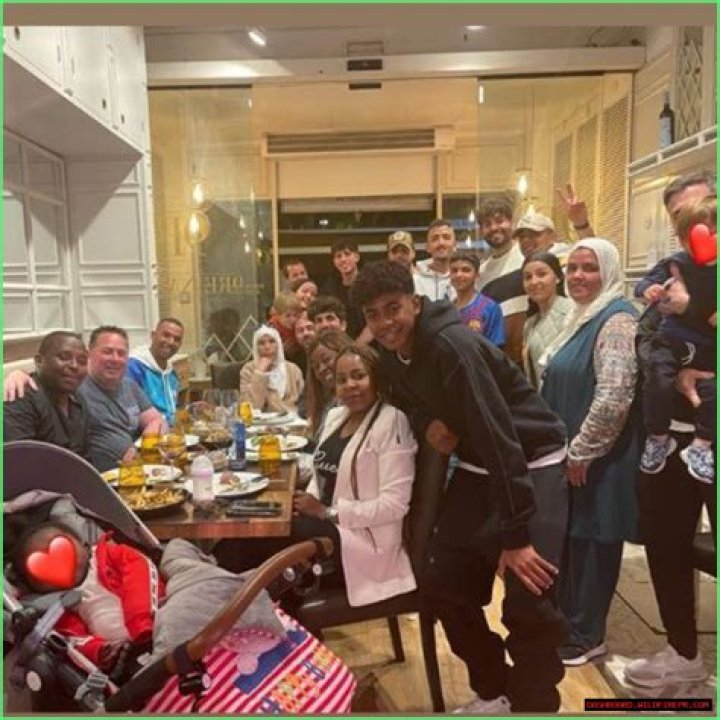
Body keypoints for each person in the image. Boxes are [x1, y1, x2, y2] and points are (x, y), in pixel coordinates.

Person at [352, 260, 569, 713]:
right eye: (373, 314)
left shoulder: (452, 345)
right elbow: (400, 396)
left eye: (393, 308)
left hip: (531, 459)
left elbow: (498, 435)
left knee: (529, 598)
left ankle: (535, 705)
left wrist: (515, 535)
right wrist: (425, 419)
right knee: (442, 584)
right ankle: (495, 689)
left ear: (415, 303)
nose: (385, 322)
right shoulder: (392, 353)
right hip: (478, 463)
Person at [216, 343, 418, 609]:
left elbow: (394, 505)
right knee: (246, 526)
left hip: (361, 545)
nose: (350, 385)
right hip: (327, 528)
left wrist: (327, 512)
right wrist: (306, 502)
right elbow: (319, 475)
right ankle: (232, 610)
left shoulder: (392, 422)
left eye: (359, 376)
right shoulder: (336, 416)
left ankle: (220, 611)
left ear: (375, 378)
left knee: (258, 541)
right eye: (341, 379)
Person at [625, 172, 716, 689]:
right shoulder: (674, 271)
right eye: (680, 217)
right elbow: (645, 336)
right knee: (663, 540)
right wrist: (675, 365)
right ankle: (683, 651)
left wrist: (693, 307)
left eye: (702, 210)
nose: (695, 226)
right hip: (671, 437)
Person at [539, 238, 642, 666]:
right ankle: (571, 625)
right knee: (576, 541)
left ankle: (588, 636)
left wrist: (582, 452)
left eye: (590, 268)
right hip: (575, 455)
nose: (578, 276)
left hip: (600, 459)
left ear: (610, 272)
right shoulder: (583, 317)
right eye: (573, 268)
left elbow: (615, 395)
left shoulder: (616, 321)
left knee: (596, 542)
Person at [4, 326, 166, 472]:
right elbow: (16, 467)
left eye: (121, 353)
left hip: (101, 479)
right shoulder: (25, 397)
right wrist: (19, 374)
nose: (74, 365)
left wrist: (142, 448)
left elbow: (81, 457)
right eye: (107, 351)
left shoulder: (77, 400)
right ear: (91, 355)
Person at [635, 195, 716, 481]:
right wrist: (650, 290)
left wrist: (688, 306)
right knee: (657, 379)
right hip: (671, 342)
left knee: (712, 393)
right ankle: (658, 437)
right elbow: (644, 287)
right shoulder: (676, 264)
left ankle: (702, 446)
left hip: (708, 351)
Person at [11, 521, 163, 672]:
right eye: (43, 568)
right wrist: (99, 650)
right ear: (37, 588)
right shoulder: (61, 606)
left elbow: (140, 570)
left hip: (158, 614)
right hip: (124, 650)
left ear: (83, 543)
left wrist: (140, 621)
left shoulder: (109, 554)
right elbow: (73, 638)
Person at [4, 331, 90, 457]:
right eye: (64, 357)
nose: (74, 366)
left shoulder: (78, 400)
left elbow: (85, 457)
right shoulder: (21, 398)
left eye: (82, 361)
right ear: (39, 361)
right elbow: (19, 460)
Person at [475, 197, 527, 365]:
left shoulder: (527, 258)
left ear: (512, 222)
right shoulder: (481, 273)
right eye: (487, 224)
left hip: (529, 355)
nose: (494, 228)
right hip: (499, 360)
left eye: (499, 221)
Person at [521, 252, 573, 388]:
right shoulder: (530, 323)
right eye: (528, 277)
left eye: (541, 274)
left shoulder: (572, 313)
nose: (534, 282)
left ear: (558, 277)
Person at [126, 318, 184, 426]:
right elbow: (130, 414)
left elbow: (173, 412)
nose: (171, 342)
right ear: (153, 336)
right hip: (146, 433)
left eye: (177, 339)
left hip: (170, 432)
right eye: (166, 335)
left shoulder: (172, 374)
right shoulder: (133, 368)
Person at [239, 325, 304, 414]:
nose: (267, 347)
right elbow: (252, 407)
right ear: (256, 347)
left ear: (278, 345)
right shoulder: (248, 370)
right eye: (261, 343)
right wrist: (260, 372)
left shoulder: (293, 369)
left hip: (292, 418)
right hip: (261, 420)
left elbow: (303, 401)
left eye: (272, 341)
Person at [303, 330, 354, 442]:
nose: (322, 369)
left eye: (326, 360)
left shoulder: (357, 402)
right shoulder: (326, 402)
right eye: (316, 367)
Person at [449, 251, 505, 346]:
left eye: (466, 270)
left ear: (476, 275)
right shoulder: (447, 310)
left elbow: (496, 348)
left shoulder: (490, 308)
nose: (459, 275)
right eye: (454, 270)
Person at [321, 239, 366, 339]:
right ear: (334, 262)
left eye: (347, 254)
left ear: (357, 257)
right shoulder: (329, 290)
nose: (343, 259)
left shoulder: (370, 284)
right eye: (338, 256)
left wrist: (357, 345)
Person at [414, 219, 456, 301]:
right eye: (435, 239)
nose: (441, 243)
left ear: (455, 245)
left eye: (446, 237)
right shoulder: (415, 281)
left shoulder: (463, 278)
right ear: (427, 247)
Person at [267, 291, 303, 358]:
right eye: (288, 316)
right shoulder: (271, 330)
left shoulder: (299, 326)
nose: (293, 319)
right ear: (278, 315)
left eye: (295, 315)